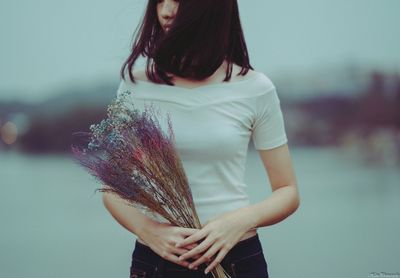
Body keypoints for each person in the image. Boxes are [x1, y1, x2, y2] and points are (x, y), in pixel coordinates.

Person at [102, 0, 300, 277]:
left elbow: (288, 191)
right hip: (157, 260)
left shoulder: (255, 88)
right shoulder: (136, 85)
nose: (166, 11)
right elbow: (112, 189)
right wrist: (149, 230)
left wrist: (240, 221)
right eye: (159, 0)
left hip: (235, 259)